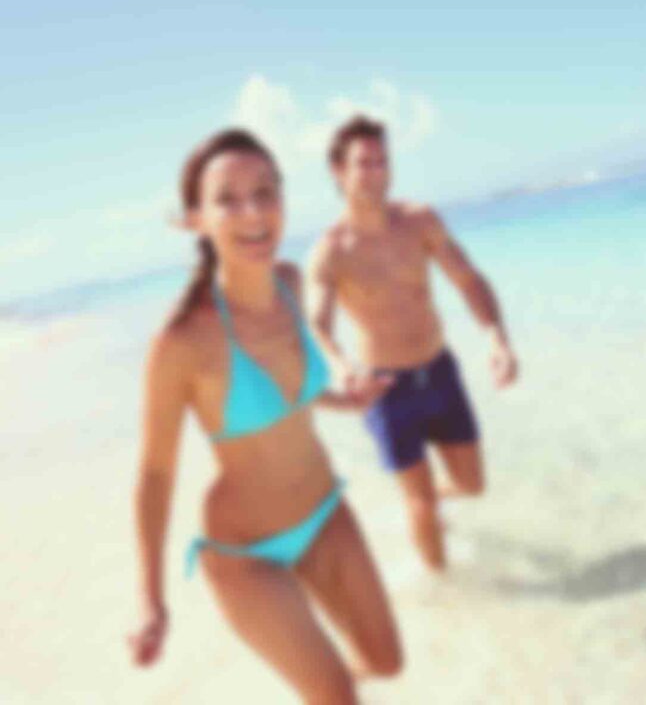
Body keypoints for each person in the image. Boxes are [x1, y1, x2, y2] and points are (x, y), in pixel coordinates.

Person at [128, 128, 402, 703]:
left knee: (386, 661)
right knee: (338, 696)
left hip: (324, 511)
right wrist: (150, 598)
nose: (253, 212)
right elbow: (155, 473)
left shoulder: (290, 283)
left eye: (264, 192)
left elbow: (286, 397)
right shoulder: (182, 342)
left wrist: (343, 401)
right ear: (197, 220)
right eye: (227, 199)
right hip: (246, 553)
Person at [306, 115, 518, 573]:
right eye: (363, 163)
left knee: (472, 484)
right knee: (419, 503)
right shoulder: (331, 251)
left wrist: (496, 337)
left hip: (439, 371)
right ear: (339, 172)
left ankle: (426, 505)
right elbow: (317, 324)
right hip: (385, 390)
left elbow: (467, 278)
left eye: (382, 161)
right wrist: (341, 366)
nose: (376, 172)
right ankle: (446, 592)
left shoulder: (419, 221)